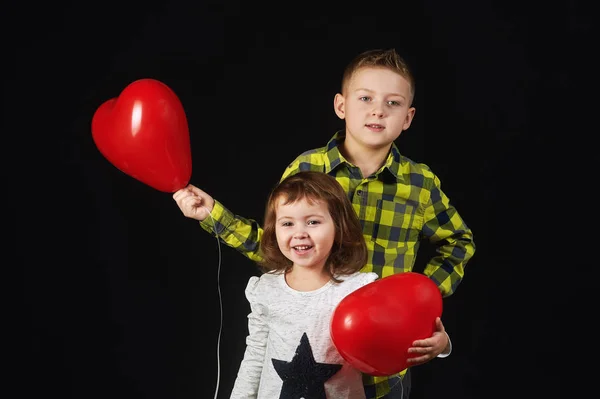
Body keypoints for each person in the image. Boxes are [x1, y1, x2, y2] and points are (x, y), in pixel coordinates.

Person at [173, 48, 475, 398]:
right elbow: (275, 244)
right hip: (311, 355)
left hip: (384, 364)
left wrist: (421, 301)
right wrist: (213, 215)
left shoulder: (420, 184)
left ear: (407, 118)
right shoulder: (307, 169)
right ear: (341, 106)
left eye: (392, 103)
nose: (378, 110)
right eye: (365, 98)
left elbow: (459, 242)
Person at [228, 171, 451, 398]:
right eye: (287, 223)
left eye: (313, 221)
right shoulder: (266, 288)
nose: (299, 233)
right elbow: (256, 353)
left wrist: (441, 344)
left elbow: (401, 332)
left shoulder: (359, 289)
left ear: (338, 227)